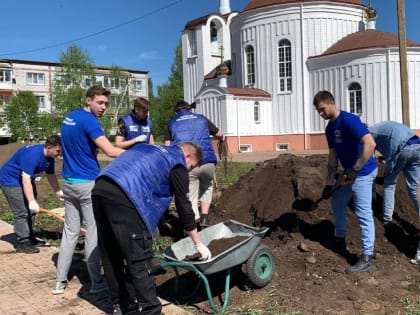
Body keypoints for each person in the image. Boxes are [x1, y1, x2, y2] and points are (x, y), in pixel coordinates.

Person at [91, 142, 211, 315]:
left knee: (111, 253)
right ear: (188, 156)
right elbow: (183, 206)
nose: (188, 170)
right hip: (126, 195)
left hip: (101, 188)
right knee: (138, 256)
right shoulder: (177, 163)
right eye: (191, 166)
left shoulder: (150, 149)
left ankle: (120, 304)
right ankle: (151, 310)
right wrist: (198, 242)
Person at [52, 86, 125, 295]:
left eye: (105, 104)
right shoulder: (89, 121)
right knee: (93, 232)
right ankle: (96, 283)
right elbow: (110, 151)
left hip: (68, 182)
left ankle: (60, 281)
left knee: (70, 232)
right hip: (87, 184)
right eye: (100, 103)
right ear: (88, 100)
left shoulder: (69, 118)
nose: (103, 107)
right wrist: (137, 153)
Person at [313, 90, 378, 273]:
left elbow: (370, 144)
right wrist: (328, 182)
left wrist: (356, 169)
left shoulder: (350, 120)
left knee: (363, 211)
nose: (321, 114)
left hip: (364, 171)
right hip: (350, 173)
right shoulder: (329, 129)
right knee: (338, 200)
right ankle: (339, 239)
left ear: (331, 103)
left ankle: (367, 258)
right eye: (318, 111)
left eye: (322, 109)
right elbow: (333, 158)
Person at [164, 100, 223, 227]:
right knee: (207, 186)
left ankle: (194, 222)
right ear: (189, 109)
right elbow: (219, 134)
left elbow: (167, 146)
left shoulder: (171, 123)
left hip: (188, 164)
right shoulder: (201, 119)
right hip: (208, 162)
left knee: (191, 193)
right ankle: (205, 218)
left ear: (176, 112)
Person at [368, 120, 420, 263]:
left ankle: (387, 218)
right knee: (415, 188)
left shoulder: (368, 133)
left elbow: (369, 158)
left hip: (401, 148)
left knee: (390, 183)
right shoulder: (383, 126)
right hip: (417, 145)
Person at [0, 135, 62, 254]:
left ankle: (30, 236)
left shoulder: (49, 158)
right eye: (57, 151)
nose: (59, 154)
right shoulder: (33, 156)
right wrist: (32, 201)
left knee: (32, 210)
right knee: (21, 211)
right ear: (49, 147)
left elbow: (50, 174)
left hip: (25, 180)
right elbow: (26, 179)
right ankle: (23, 242)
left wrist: (58, 191)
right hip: (10, 180)